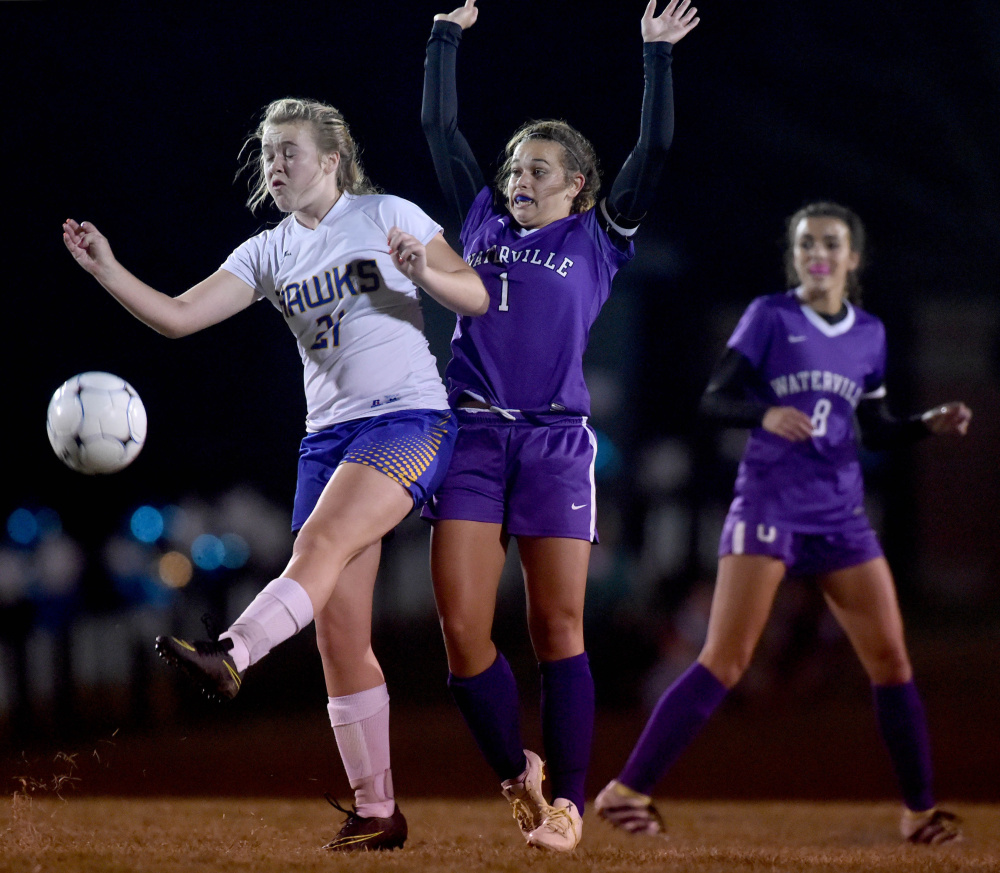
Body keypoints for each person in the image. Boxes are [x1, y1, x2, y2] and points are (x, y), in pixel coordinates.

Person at [62, 97, 488, 852]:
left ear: (331, 159)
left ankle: (232, 652)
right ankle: (378, 810)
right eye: (267, 153)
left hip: (407, 420)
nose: (275, 164)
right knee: (340, 634)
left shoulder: (386, 212)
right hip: (325, 440)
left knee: (316, 549)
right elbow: (177, 315)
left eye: (289, 150)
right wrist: (108, 269)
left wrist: (428, 268)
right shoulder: (267, 250)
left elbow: (476, 296)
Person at [594, 201, 970, 845]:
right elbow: (716, 399)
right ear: (795, 256)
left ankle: (919, 813)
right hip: (768, 505)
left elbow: (875, 427)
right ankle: (625, 791)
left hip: (840, 515)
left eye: (829, 243)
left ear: (853, 258)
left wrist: (924, 425)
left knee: (892, 663)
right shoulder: (770, 316)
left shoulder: (869, 333)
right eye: (804, 245)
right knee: (726, 660)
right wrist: (762, 416)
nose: (816, 254)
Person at [420, 0, 699, 853]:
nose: (520, 178)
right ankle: (518, 769)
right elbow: (440, 124)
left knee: (557, 629)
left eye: (540, 169)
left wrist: (654, 57)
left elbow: (653, 152)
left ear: (578, 183)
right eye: (514, 167)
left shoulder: (599, 236)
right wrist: (444, 35)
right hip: (469, 434)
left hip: (554, 442)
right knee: (463, 636)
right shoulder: (480, 222)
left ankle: (570, 804)